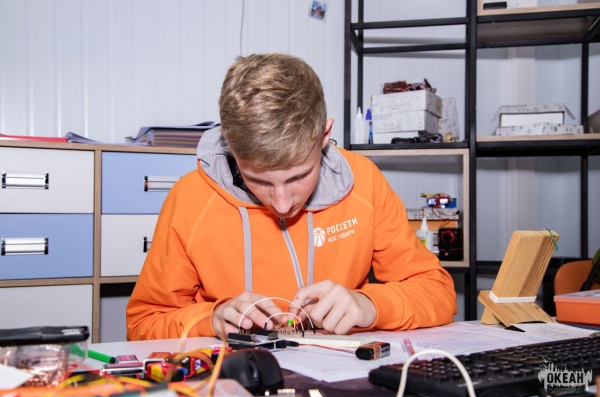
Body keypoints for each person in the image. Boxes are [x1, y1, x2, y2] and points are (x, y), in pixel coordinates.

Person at [126, 53, 457, 340]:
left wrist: (369, 306)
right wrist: (210, 319)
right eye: (258, 180)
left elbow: (437, 292)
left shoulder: (364, 182)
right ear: (229, 143)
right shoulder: (190, 199)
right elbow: (143, 323)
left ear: (324, 135)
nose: (282, 204)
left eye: (298, 176)